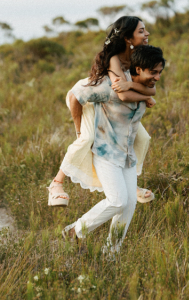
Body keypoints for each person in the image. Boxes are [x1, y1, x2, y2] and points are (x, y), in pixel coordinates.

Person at [62, 45, 166, 253]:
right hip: (105, 153)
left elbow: (147, 95)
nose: (157, 77)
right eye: (153, 72)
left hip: (127, 156)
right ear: (138, 69)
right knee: (117, 201)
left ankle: (111, 254)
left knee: (129, 205)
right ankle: (74, 231)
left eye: (160, 72)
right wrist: (80, 131)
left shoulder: (140, 88)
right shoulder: (110, 87)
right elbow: (75, 96)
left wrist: (146, 96)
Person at [47, 16, 156, 206]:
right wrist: (78, 130)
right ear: (127, 38)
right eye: (141, 31)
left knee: (143, 138)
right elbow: (122, 94)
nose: (147, 34)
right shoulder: (114, 58)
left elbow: (143, 87)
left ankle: (131, 184)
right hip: (87, 98)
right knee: (87, 138)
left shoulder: (136, 56)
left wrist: (143, 93)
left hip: (112, 102)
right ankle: (56, 184)